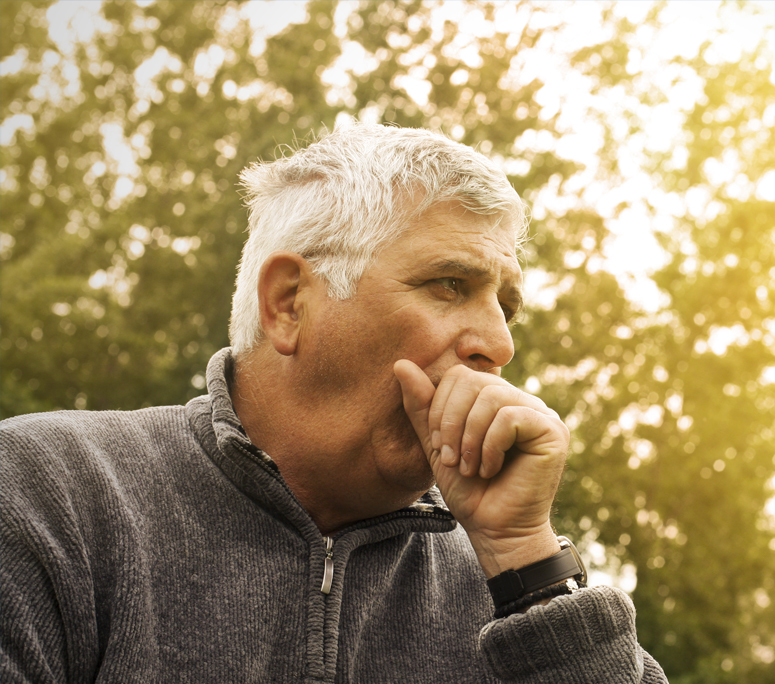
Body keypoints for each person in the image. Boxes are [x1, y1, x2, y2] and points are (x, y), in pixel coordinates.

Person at [1, 124, 668, 683]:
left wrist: (528, 567)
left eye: (506, 306)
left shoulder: (506, 585)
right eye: (448, 285)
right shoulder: (46, 493)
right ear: (289, 302)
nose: (499, 343)